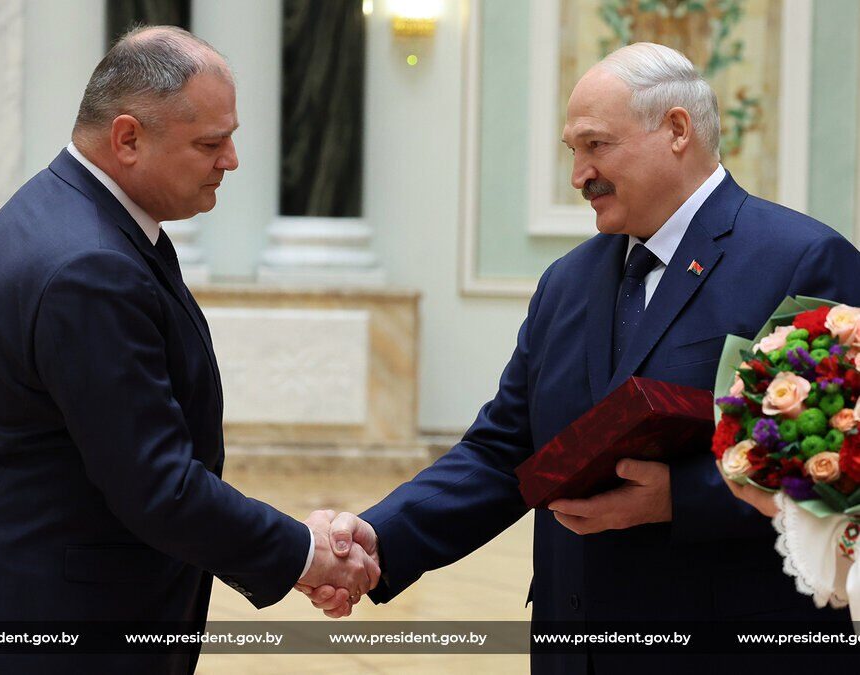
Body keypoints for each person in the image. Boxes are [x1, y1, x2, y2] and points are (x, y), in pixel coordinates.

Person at [300, 43, 860, 673]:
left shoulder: (804, 260)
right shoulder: (566, 282)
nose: (578, 175)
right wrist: (381, 537)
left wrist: (678, 497)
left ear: (676, 130)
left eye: (596, 146)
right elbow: (504, 449)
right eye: (574, 151)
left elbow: (836, 465)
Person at [0, 26, 377, 674]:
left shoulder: (77, 218)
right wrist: (306, 552)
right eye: (211, 143)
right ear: (127, 138)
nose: (232, 160)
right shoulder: (87, 265)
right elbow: (158, 485)